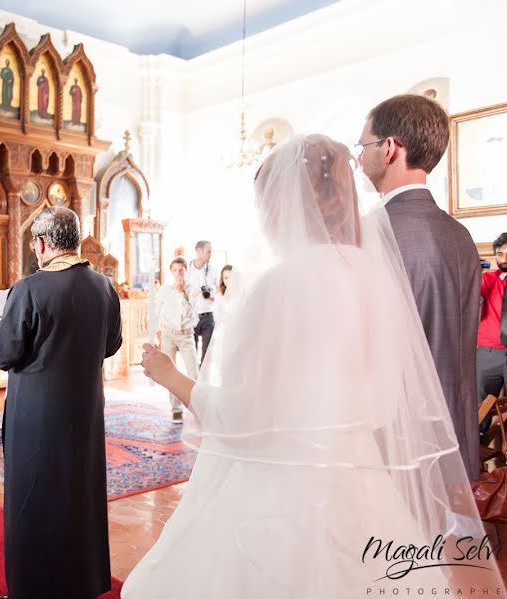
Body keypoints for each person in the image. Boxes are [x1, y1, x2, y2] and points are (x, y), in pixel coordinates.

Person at [122, 134, 502, 597]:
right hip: (360, 481)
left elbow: (242, 416)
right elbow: (383, 399)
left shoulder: (280, 285)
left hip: (281, 491)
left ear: (285, 206)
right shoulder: (374, 276)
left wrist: (169, 375)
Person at [0, 206, 122, 599]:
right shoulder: (104, 286)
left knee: (33, 502)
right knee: (78, 496)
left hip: (36, 421)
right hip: (83, 416)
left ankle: (32, 590)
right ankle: (79, 585)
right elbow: (111, 344)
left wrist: (1, 322)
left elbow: (4, 354)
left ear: (44, 244)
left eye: (35, 244)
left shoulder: (28, 290)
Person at [358, 94, 481, 479]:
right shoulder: (461, 235)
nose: (360, 157)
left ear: (389, 148)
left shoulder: (372, 233)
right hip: (453, 434)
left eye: (364, 146)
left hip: (398, 444)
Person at [153, 257, 199, 424]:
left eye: (181, 270)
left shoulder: (193, 290)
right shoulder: (164, 290)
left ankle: (196, 408)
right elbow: (157, 311)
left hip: (186, 335)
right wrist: (157, 332)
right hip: (168, 335)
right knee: (170, 373)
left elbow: (189, 313)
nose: (179, 273)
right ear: (171, 272)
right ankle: (176, 410)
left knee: (193, 373)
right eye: (175, 270)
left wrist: (180, 292)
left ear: (186, 271)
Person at [477, 232, 507, 401]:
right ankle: (480, 429)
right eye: (500, 254)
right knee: (481, 407)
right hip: (487, 352)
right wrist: (473, 273)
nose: (504, 259)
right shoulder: (486, 279)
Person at [187, 240, 218, 363]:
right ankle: (194, 379)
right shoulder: (186, 270)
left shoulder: (213, 270)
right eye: (208, 251)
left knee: (207, 353)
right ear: (199, 251)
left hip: (208, 316)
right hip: (191, 316)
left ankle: (203, 379)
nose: (210, 254)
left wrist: (210, 295)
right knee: (191, 353)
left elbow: (220, 293)